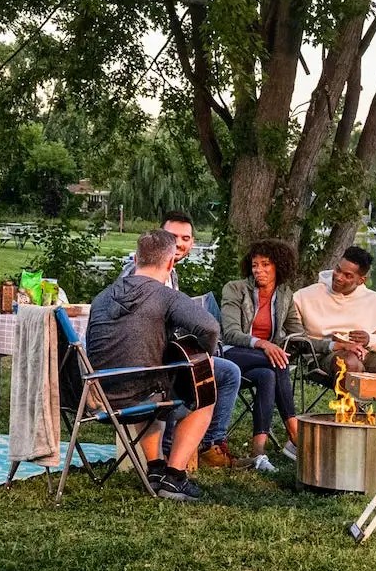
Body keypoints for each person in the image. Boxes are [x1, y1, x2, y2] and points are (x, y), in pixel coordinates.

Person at [86, 227, 220, 501]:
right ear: (170, 264)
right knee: (206, 385)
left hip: (99, 397)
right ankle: (174, 476)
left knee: (151, 376)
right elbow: (210, 328)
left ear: (136, 259)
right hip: (139, 396)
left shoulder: (101, 297)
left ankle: (155, 467)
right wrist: (199, 357)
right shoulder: (165, 296)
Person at [118, 209, 243, 468]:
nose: (179, 243)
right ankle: (191, 449)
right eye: (173, 236)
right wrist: (201, 355)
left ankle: (203, 443)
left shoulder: (170, 271)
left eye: (185, 238)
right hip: (146, 363)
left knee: (218, 370)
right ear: (158, 238)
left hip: (156, 356)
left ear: (192, 243)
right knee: (222, 373)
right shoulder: (139, 272)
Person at [217, 239, 305, 474]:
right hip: (230, 355)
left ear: (279, 266)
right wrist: (264, 344)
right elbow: (231, 333)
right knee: (276, 361)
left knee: (268, 375)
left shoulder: (285, 294)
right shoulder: (234, 289)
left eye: (266, 264)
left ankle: (258, 452)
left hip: (262, 362)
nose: (259, 270)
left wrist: (331, 343)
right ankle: (296, 435)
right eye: (255, 265)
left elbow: (298, 334)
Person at [290, 245, 376, 382]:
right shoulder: (304, 296)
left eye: (347, 275)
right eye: (338, 270)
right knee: (349, 362)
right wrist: (333, 343)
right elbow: (294, 336)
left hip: (367, 354)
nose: (339, 277)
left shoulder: (375, 301)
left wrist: (370, 339)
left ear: (361, 280)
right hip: (326, 356)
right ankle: (351, 404)